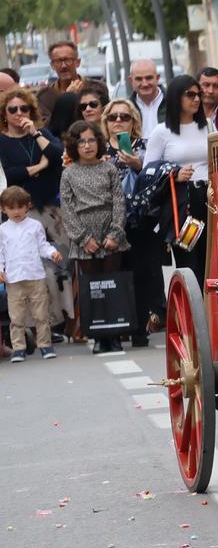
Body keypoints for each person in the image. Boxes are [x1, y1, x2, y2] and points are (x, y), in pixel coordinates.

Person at [0, 87, 69, 338]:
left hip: (51, 210)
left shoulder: (41, 134)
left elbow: (59, 155)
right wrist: (38, 167)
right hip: (20, 215)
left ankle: (62, 322)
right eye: (13, 109)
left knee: (59, 267)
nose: (19, 113)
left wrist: (36, 133)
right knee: (33, 271)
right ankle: (39, 325)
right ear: (4, 114)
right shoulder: (2, 140)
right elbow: (8, 174)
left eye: (24, 108)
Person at [59, 120, 130, 353]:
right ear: (74, 146)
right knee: (93, 287)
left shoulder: (109, 169)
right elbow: (67, 209)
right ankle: (99, 336)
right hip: (85, 235)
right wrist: (82, 238)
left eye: (91, 140)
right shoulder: (69, 174)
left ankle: (116, 333)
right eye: (81, 141)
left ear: (98, 142)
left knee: (113, 284)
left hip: (109, 231)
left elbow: (119, 201)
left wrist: (115, 233)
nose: (87, 145)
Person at [103, 99, 163, 344]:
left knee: (142, 274)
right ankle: (117, 327)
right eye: (113, 117)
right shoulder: (98, 149)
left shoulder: (147, 146)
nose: (118, 121)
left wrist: (138, 163)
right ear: (105, 122)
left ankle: (140, 328)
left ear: (134, 122)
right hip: (109, 221)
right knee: (116, 274)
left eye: (124, 117)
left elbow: (157, 176)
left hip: (141, 219)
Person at [145, 76, 210, 281]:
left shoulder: (208, 125)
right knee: (189, 262)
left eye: (198, 94)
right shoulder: (161, 132)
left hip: (210, 197)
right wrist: (174, 173)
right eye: (190, 94)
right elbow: (148, 172)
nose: (197, 99)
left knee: (212, 257)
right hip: (181, 202)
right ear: (175, 98)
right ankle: (195, 310)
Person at [0, 185, 63, 362]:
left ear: (28, 206)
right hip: (13, 278)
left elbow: (42, 245)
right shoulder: (3, 230)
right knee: (16, 316)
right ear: (3, 209)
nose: (16, 211)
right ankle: (18, 348)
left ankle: (45, 345)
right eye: (11, 208)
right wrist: (0, 270)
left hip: (35, 276)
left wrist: (52, 253)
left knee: (41, 314)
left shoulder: (35, 226)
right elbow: (1, 252)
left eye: (20, 207)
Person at [36, 40, 85, 120]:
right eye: (58, 61)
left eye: (68, 60)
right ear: (52, 65)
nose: (63, 66)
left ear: (77, 62)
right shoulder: (45, 97)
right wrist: (67, 98)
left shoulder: (95, 88)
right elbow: (48, 127)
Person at [128, 59, 165, 136]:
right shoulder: (126, 108)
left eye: (149, 78)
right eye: (139, 79)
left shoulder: (174, 102)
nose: (144, 84)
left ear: (157, 78)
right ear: (131, 81)